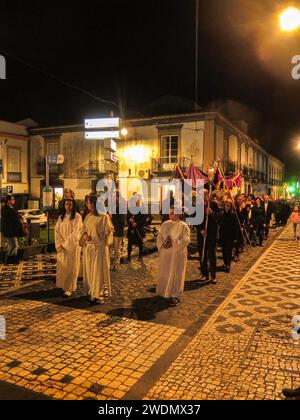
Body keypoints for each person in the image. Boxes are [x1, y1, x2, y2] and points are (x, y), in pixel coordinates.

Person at [80, 194, 114, 305]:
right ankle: (92, 291)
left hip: (99, 249)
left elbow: (109, 232)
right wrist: (85, 236)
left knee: (98, 272)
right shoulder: (88, 217)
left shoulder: (104, 217)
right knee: (90, 272)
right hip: (89, 249)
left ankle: (98, 294)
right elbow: (83, 230)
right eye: (88, 203)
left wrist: (105, 235)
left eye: (90, 203)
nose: (88, 205)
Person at [156, 207, 190, 306]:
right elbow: (160, 236)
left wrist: (174, 243)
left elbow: (186, 240)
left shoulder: (183, 226)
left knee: (176, 273)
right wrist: (163, 244)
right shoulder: (165, 224)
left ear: (179, 214)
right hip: (166, 254)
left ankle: (174, 295)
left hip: (177, 254)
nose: (171, 215)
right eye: (170, 213)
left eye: (174, 213)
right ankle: (164, 291)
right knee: (166, 272)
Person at [55, 198, 83, 297]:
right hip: (62, 246)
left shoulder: (77, 217)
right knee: (63, 266)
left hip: (72, 246)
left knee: (71, 267)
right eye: (66, 204)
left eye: (70, 204)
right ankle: (63, 285)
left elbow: (76, 233)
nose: (68, 206)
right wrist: (60, 244)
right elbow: (57, 231)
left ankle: (70, 288)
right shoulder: (61, 217)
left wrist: (66, 244)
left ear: (73, 205)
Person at [196, 190, 220, 285]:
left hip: (211, 234)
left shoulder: (213, 205)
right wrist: (200, 229)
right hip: (201, 234)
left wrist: (212, 213)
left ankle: (213, 275)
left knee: (212, 255)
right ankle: (204, 274)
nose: (203, 196)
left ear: (208, 195)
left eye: (204, 194)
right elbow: (194, 219)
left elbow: (219, 217)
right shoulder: (197, 206)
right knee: (202, 255)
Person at [1, 195, 25, 264]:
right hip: (8, 230)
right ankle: (9, 258)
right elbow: (9, 219)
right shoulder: (4, 209)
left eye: (13, 199)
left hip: (14, 230)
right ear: (8, 201)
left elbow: (17, 215)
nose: (14, 200)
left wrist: (21, 218)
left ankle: (12, 259)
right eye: (12, 199)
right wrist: (18, 220)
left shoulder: (14, 207)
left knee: (14, 245)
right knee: (13, 245)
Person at [127, 194, 147, 262]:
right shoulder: (130, 209)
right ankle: (128, 257)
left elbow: (144, 219)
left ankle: (140, 256)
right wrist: (129, 219)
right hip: (131, 229)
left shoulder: (141, 209)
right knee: (129, 243)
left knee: (140, 243)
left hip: (139, 229)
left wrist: (137, 223)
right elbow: (127, 216)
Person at [219, 200, 237, 273]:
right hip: (223, 235)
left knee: (228, 251)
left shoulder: (233, 215)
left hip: (230, 236)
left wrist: (235, 237)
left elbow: (235, 227)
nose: (227, 207)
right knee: (223, 251)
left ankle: (228, 265)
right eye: (226, 205)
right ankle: (225, 263)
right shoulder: (222, 214)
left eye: (228, 205)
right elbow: (220, 225)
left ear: (231, 206)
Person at [111, 191, 126, 271]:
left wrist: (115, 226)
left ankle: (116, 264)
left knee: (117, 248)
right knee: (111, 248)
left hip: (118, 231)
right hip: (112, 231)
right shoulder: (113, 206)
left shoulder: (121, 207)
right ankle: (112, 263)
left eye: (114, 197)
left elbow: (122, 221)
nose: (113, 198)